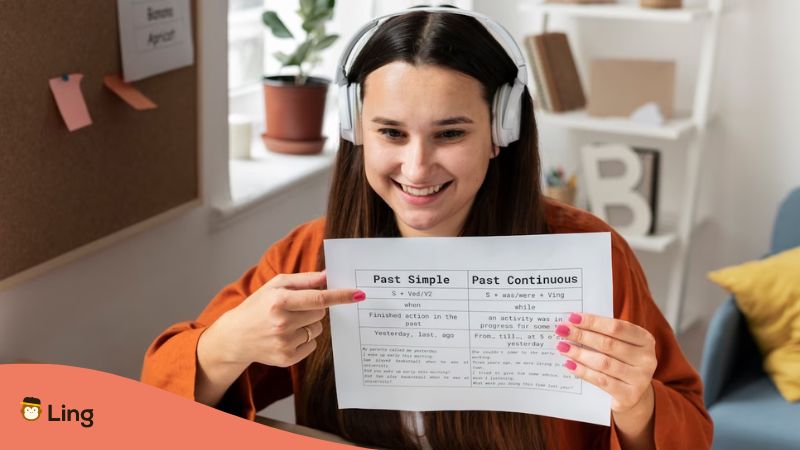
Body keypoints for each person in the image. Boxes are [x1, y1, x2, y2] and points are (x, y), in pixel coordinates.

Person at [141, 6, 712, 450]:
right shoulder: (310, 254)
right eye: (390, 133)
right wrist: (225, 346)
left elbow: (687, 430)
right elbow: (157, 405)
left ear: (501, 130)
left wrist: (636, 404)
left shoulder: (588, 254)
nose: (416, 168)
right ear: (356, 130)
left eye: (450, 134)